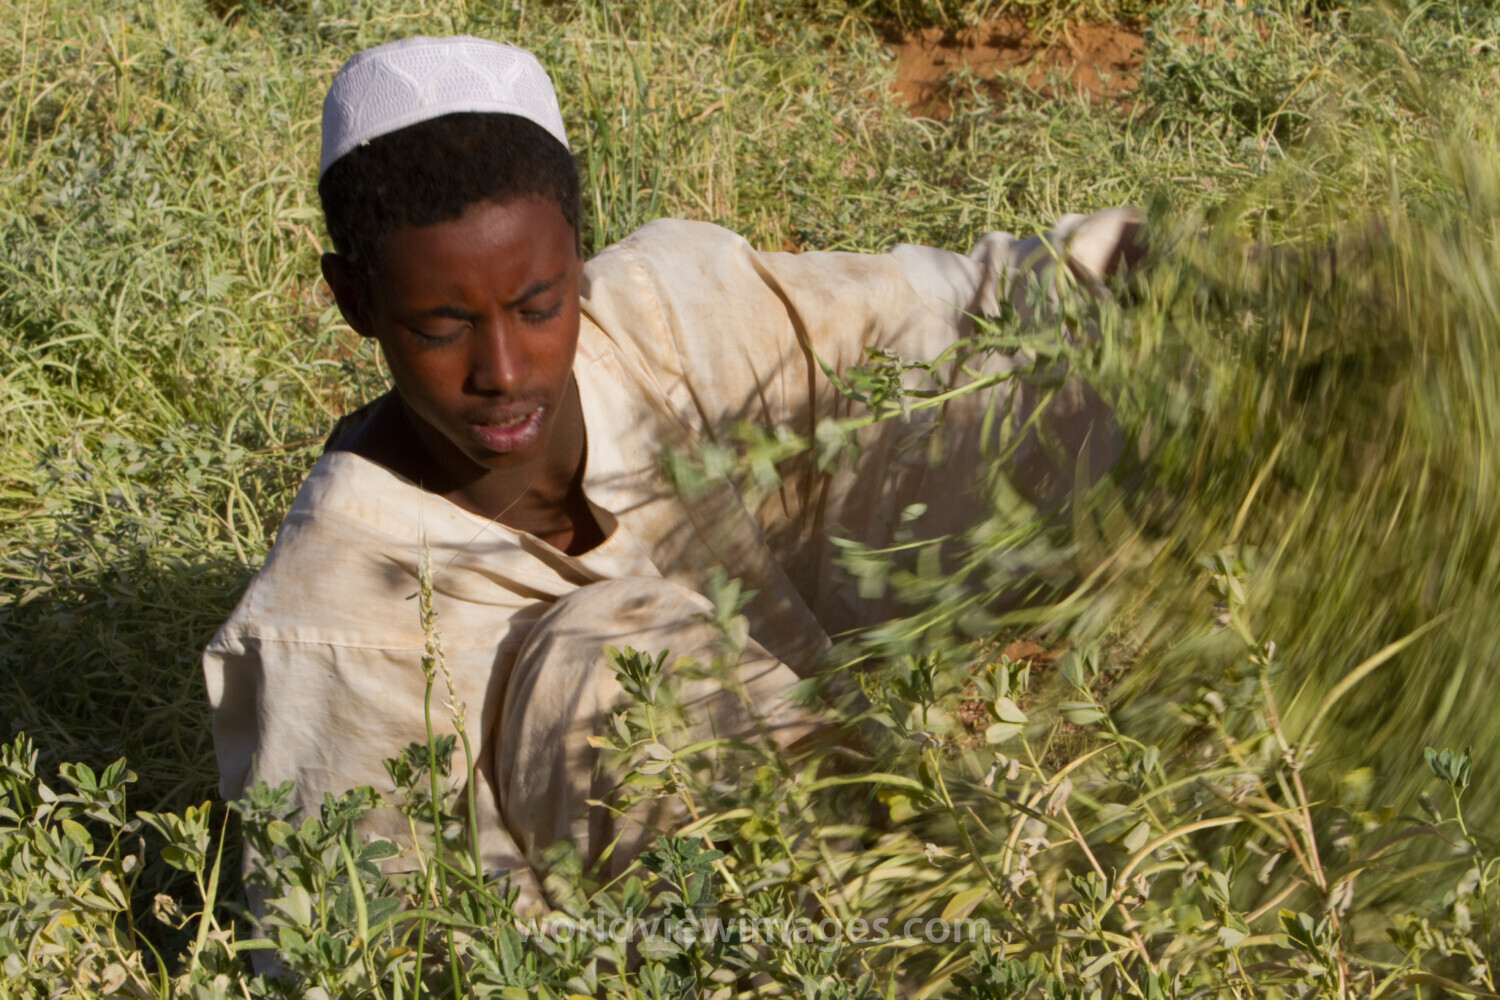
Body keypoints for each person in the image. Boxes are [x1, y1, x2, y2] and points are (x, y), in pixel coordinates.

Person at [203, 35, 1140, 909]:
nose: (503, 371)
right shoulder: (336, 630)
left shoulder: (666, 319)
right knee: (615, 646)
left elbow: (959, 309)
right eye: (439, 327)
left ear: (576, 253)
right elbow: (402, 941)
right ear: (354, 301)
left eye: (539, 305)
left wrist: (1188, 287)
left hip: (888, 767)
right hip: (732, 929)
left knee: (1108, 362)